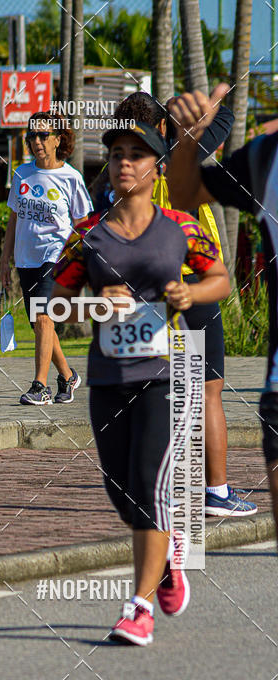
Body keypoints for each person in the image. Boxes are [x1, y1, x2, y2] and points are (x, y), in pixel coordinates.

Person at [49, 122, 230, 645]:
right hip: (108, 379)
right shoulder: (87, 232)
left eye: (137, 154)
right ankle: (168, 557)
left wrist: (189, 296)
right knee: (122, 491)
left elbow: (218, 277)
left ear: (157, 168)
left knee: (150, 489)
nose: (125, 162)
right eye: (117, 154)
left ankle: (138, 608)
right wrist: (92, 304)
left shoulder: (180, 227)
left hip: (164, 377)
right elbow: (49, 303)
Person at [93, 91, 256, 517]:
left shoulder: (111, 178)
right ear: (161, 127)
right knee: (206, 394)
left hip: (142, 297)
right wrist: (190, 105)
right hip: (192, 288)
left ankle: (151, 489)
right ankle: (215, 492)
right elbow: (225, 115)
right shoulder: (178, 155)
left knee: (155, 395)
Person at [166, 84, 278, 540]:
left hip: (181, 288)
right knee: (195, 391)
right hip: (187, 289)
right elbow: (186, 192)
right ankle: (201, 495)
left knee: (185, 392)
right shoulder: (265, 158)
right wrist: (189, 134)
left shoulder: (117, 174)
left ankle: (191, 495)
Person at [0, 110, 92, 405]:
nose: (36, 141)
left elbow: (83, 225)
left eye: (43, 135)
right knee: (39, 324)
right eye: (32, 136)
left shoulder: (71, 178)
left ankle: (40, 386)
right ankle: (67, 376)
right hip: (25, 258)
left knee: (43, 316)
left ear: (57, 140)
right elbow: (13, 219)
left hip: (57, 256)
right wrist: (5, 260)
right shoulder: (22, 174)